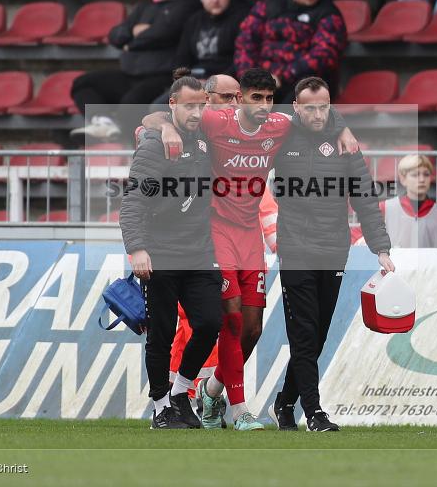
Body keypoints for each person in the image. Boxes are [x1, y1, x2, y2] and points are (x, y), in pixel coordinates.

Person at [142, 68, 359, 430]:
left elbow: (315, 113)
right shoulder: (216, 121)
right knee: (230, 317)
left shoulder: (279, 124)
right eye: (254, 97)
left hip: (249, 232)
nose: (262, 105)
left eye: (268, 98)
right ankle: (239, 410)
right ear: (240, 98)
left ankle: (210, 392)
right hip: (215, 229)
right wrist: (165, 127)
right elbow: (157, 116)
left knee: (252, 329)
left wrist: (343, 127)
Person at [270, 77, 394, 433]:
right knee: (304, 331)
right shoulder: (281, 136)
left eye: (323, 107)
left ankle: (285, 402)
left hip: (333, 248)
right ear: (296, 107)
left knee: (318, 334)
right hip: (294, 248)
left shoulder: (345, 144)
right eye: (309, 107)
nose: (317, 114)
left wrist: (380, 248)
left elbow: (365, 198)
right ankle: (314, 412)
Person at [119, 69, 223, 429]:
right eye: (189, 106)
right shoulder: (154, 143)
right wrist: (137, 248)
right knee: (161, 334)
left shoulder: (207, 135)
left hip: (199, 250)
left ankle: (180, 393)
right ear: (173, 105)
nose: (196, 113)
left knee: (210, 322)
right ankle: (161, 407)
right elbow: (132, 200)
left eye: (201, 106)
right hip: (160, 251)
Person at [70, 0, 201, 139]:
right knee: (83, 83)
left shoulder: (190, 3)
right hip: (131, 75)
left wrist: (131, 43)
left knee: (131, 103)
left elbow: (165, 32)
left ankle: (133, 151)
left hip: (162, 77)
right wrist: (136, 32)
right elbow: (115, 36)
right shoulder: (143, 8)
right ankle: (104, 123)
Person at [234, 0, 347, 103]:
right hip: (262, 77)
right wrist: (250, 77)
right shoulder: (268, 5)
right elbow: (246, 41)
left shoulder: (328, 13)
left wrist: (282, 77)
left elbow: (324, 55)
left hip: (302, 80)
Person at [172, 0, 251, 79]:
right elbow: (182, 59)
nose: (215, 0)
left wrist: (215, 83)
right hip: (195, 81)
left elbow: (242, 61)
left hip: (227, 82)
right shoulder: (194, 20)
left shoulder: (242, 19)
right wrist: (185, 80)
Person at [384, 154, 437, 249]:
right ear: (403, 179)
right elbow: (360, 235)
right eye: (415, 175)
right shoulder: (386, 208)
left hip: (430, 264)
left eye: (426, 174)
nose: (422, 180)